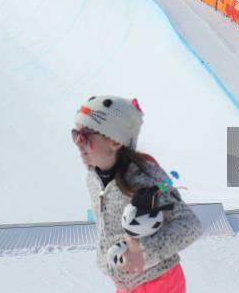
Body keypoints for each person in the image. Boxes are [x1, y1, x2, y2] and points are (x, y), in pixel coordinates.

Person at [72, 95, 202, 293]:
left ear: (115, 141)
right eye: (75, 134)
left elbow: (189, 225)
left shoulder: (145, 178)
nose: (78, 143)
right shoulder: (93, 177)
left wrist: (146, 252)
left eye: (87, 137)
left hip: (159, 283)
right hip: (125, 285)